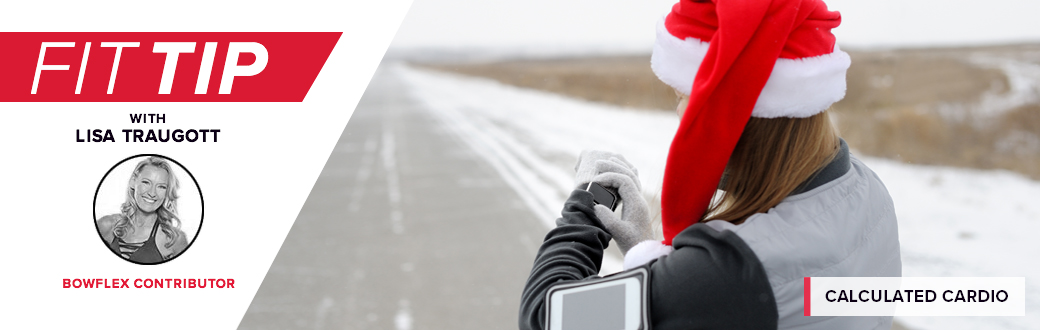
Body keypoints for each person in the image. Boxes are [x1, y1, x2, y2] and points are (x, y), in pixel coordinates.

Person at [519, 0, 901, 329]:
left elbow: (547, 315)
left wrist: (585, 207)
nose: (682, 112)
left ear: (734, 115)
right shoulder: (866, 189)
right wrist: (656, 261)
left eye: (688, 96)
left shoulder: (732, 272)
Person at [97, 156, 189, 264]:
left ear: (167, 192)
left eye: (161, 187)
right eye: (146, 182)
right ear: (133, 182)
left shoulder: (173, 239)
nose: (152, 193)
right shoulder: (106, 226)